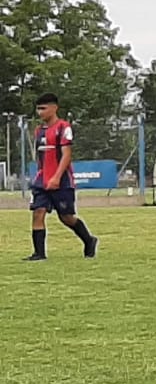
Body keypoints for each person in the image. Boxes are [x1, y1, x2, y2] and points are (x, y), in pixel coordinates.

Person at [25, 93, 99, 260]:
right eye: (38, 109)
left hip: (62, 180)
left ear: (54, 108)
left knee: (66, 217)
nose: (40, 112)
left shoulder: (63, 127)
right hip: (42, 181)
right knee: (38, 212)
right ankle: (39, 254)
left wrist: (57, 177)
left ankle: (89, 240)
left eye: (43, 108)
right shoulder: (39, 131)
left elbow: (66, 154)